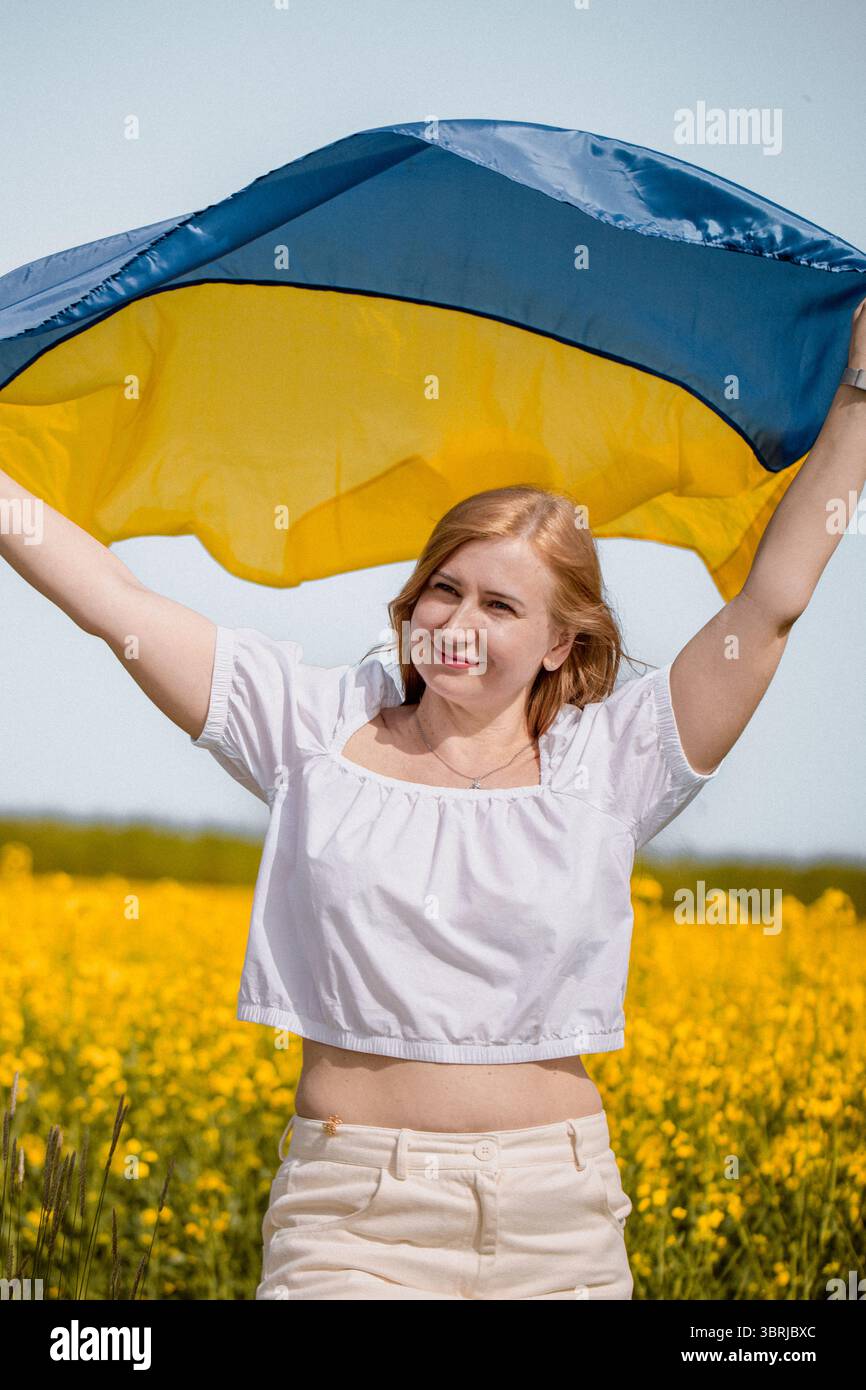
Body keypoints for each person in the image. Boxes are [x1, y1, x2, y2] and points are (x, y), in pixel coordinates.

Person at [1, 299, 864, 1301]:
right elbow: (119, 603)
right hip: (351, 1220)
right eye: (441, 590)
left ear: (558, 644)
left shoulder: (607, 763)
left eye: (499, 605)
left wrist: (855, 392)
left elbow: (768, 607)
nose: (455, 621)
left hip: (560, 1215)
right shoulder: (312, 726)